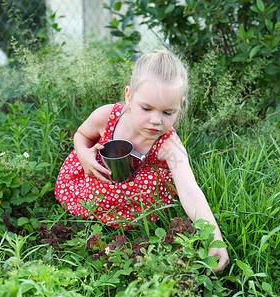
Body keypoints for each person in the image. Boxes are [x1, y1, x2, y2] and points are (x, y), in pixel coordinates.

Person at [55, 50, 229, 272]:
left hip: (138, 193)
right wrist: (83, 155)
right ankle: (94, 209)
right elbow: (81, 135)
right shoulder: (107, 116)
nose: (155, 120)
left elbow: (190, 192)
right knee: (85, 183)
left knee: (156, 185)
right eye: (146, 108)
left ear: (180, 105)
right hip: (101, 176)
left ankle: (118, 215)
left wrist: (215, 239)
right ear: (129, 96)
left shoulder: (169, 146)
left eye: (168, 112)